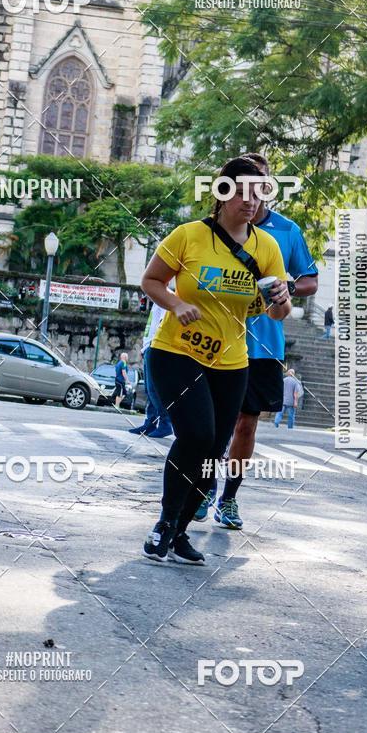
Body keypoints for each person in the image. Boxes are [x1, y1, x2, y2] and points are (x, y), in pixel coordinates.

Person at [140, 156, 291, 565]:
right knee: (196, 435)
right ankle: (163, 525)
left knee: (214, 450)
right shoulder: (189, 236)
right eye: (241, 191)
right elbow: (151, 280)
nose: (250, 201)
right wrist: (176, 303)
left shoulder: (268, 247)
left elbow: (274, 311)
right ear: (221, 194)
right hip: (177, 352)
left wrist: (281, 303)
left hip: (231, 362)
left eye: (259, 193)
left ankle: (182, 532)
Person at [195, 153, 318, 529]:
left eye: (262, 183)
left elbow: (310, 280)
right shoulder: (208, 229)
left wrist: (284, 288)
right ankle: (200, 488)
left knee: (247, 425)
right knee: (209, 424)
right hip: (212, 340)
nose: (254, 193)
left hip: (263, 345)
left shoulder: (286, 231)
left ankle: (228, 498)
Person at [128, 303, 173, 438]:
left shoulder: (163, 296)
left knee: (154, 390)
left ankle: (165, 424)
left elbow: (163, 325)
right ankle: (151, 422)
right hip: (150, 347)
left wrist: (152, 346)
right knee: (150, 390)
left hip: (156, 347)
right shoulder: (156, 301)